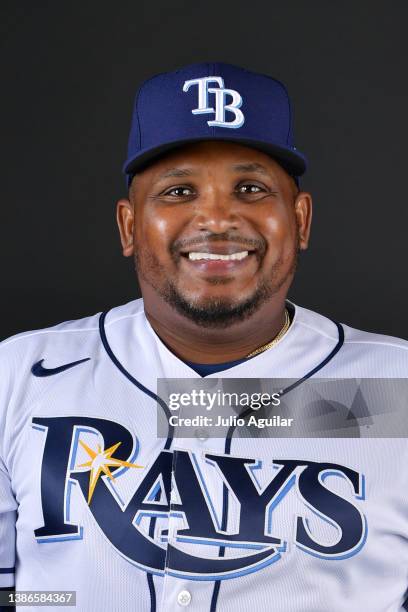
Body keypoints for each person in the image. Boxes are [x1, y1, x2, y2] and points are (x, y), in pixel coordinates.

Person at [1, 62, 408, 612]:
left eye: (250, 187)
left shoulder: (395, 388)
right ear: (128, 226)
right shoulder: (19, 375)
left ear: (301, 220)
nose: (216, 218)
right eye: (178, 190)